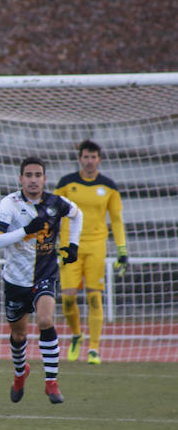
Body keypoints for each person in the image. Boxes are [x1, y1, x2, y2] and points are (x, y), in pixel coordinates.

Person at [0, 156, 83, 405]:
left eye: (37, 175)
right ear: (21, 179)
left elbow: (77, 214)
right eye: (28, 175)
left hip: (45, 274)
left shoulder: (55, 203)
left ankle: (51, 382)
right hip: (16, 279)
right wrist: (26, 231)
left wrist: (72, 245)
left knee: (45, 320)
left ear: (44, 178)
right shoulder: (9, 204)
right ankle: (20, 374)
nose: (33, 179)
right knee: (19, 335)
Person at [54, 140, 128, 365]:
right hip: (70, 247)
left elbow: (116, 219)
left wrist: (122, 250)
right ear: (80, 158)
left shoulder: (109, 187)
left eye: (93, 157)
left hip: (96, 246)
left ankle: (94, 348)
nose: (89, 161)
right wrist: (51, 246)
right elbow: (53, 214)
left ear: (99, 159)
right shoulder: (66, 184)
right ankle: (77, 335)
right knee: (67, 299)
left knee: (94, 298)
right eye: (85, 157)